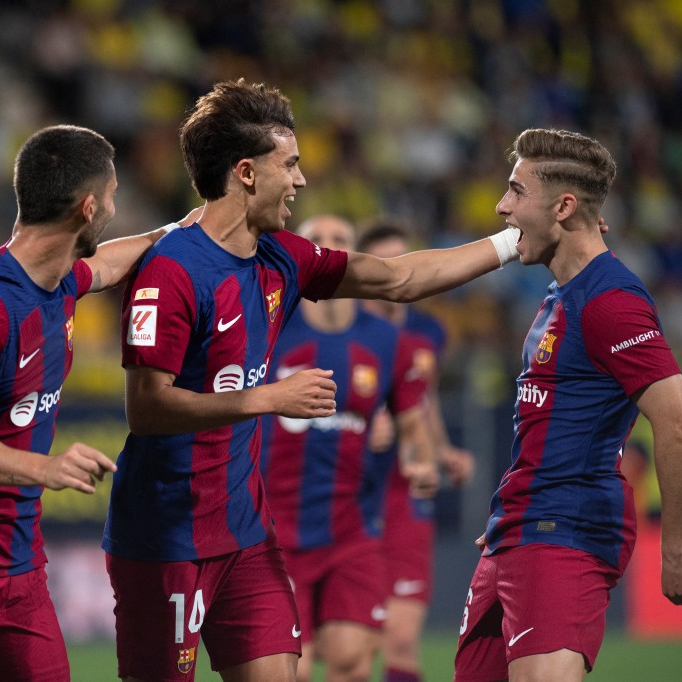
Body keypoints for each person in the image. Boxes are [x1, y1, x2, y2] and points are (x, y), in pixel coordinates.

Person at [102, 78, 522, 682]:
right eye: (290, 165)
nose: (300, 180)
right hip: (165, 534)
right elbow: (147, 408)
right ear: (247, 172)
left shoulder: (282, 256)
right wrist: (267, 398)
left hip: (246, 533)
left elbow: (396, 279)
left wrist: (512, 242)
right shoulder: (170, 272)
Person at [0, 125, 192, 682]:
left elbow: (112, 263)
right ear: (87, 207)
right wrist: (43, 468)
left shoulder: (59, 281)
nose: (116, 210)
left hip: (19, 564)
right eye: (114, 197)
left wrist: (177, 231)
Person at [454, 128, 682, 682]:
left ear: (563, 207)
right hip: (517, 528)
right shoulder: (557, 297)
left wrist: (676, 553)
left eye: (516, 191)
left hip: (563, 531)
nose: (501, 206)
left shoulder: (612, 302)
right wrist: (514, 505)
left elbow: (679, 427)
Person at [258, 215, 440, 682]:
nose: (326, 248)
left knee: (351, 660)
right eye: (315, 240)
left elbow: (413, 427)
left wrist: (420, 463)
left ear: (353, 256)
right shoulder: (267, 327)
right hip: (273, 531)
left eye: (339, 241)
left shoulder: (385, 340)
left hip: (352, 530)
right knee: (288, 671)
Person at [357, 221, 474, 682]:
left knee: (402, 638)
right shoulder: (348, 328)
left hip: (405, 492)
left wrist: (443, 452)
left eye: (404, 259)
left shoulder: (429, 332)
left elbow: (423, 399)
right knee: (353, 644)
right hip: (352, 491)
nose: (399, 271)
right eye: (387, 262)